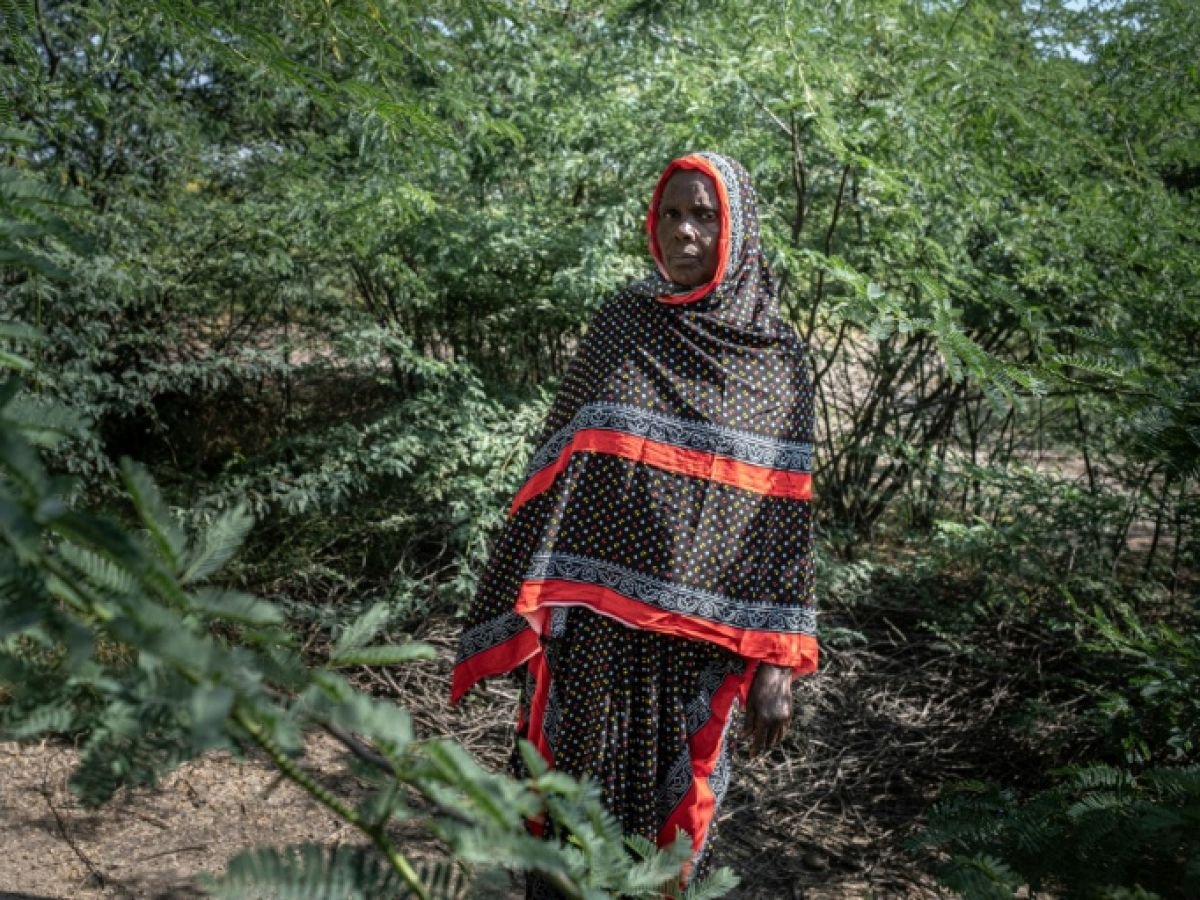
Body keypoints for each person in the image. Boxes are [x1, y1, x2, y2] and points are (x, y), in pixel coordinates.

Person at [450, 152, 817, 894]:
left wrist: (778, 661)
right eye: (671, 214)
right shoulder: (622, 322)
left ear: (737, 228)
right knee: (563, 818)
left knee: (666, 841)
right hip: (591, 633)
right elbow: (557, 463)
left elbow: (786, 518)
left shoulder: (777, 356)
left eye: (703, 216)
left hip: (696, 651)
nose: (683, 232)